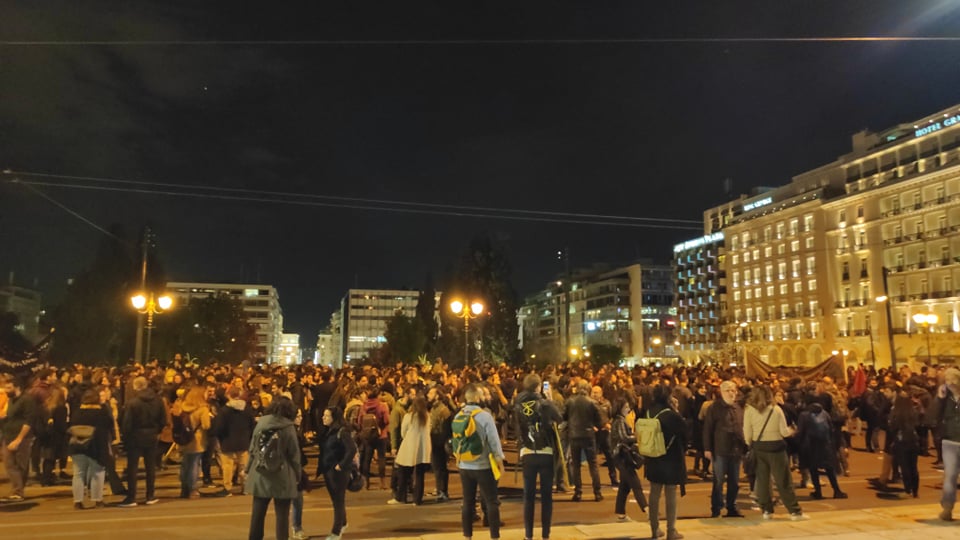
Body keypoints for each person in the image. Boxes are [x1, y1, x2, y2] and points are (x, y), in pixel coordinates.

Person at [744, 384, 807, 521]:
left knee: (763, 480)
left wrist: (752, 443)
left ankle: (766, 510)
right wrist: (792, 430)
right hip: (776, 447)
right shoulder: (776, 410)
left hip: (759, 446)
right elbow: (784, 432)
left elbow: (747, 433)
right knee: (783, 480)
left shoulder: (749, 410)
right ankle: (794, 511)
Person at [514, 373, 563, 540]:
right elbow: (560, 418)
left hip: (527, 451)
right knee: (546, 496)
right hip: (545, 451)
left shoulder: (518, 403)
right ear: (538, 387)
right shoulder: (545, 404)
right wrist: (549, 399)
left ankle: (528, 534)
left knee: (528, 496)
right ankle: (545, 534)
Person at [245, 396, 301, 540]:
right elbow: (294, 455)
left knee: (258, 512)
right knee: (282, 515)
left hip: (260, 472)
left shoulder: (261, 424)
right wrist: (298, 475)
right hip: (282, 473)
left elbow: (253, 449)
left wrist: (247, 469)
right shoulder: (288, 427)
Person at [455, 383, 505, 540]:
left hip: (464, 465)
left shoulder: (459, 415)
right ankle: (494, 536)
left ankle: (467, 535)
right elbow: (494, 441)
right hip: (483, 465)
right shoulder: (485, 416)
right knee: (491, 501)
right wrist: (500, 461)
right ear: (477, 397)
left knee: (468, 501)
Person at [644, 384, 687, 540]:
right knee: (670, 494)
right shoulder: (670, 414)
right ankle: (671, 530)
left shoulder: (649, 411)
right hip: (670, 458)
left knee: (654, 492)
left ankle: (655, 529)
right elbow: (685, 433)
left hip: (653, 456)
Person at [119, 376, 167, 507]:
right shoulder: (158, 400)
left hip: (135, 437)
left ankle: (131, 497)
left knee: (132, 467)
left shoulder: (132, 403)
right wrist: (157, 431)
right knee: (150, 466)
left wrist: (126, 436)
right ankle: (150, 495)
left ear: (135, 387)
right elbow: (164, 420)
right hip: (152, 435)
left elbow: (127, 424)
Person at [702, 380, 745, 517]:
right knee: (719, 481)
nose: (731, 393)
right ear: (721, 392)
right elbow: (707, 429)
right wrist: (707, 448)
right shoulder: (714, 408)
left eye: (733, 390)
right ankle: (716, 507)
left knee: (734, 481)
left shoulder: (739, 408)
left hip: (736, 449)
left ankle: (731, 506)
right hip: (720, 449)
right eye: (728, 390)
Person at [0, 375, 43, 503]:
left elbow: (28, 422)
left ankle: (18, 491)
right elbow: (13, 415)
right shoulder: (11, 399)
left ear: (17, 387)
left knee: (21, 465)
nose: (6, 390)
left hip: (22, 438)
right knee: (9, 464)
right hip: (8, 436)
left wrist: (19, 439)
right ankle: (18, 490)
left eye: (8, 388)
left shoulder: (27, 400)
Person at [69, 389, 114, 509]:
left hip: (78, 446)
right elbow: (109, 427)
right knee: (97, 472)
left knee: (78, 474)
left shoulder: (77, 412)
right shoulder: (101, 413)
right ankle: (97, 499)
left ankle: (77, 501)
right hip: (96, 446)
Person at [795, 400, 847, 500]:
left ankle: (818, 492)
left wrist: (798, 444)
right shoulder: (824, 413)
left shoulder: (804, 415)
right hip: (825, 445)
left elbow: (800, 431)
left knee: (813, 469)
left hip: (810, 446)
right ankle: (836, 490)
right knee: (829, 468)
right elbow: (831, 429)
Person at [319, 406, 358, 540]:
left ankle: (336, 531)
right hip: (328, 470)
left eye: (327, 416)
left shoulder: (342, 432)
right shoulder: (329, 430)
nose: (323, 418)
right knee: (336, 500)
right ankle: (344, 522)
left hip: (338, 472)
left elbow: (351, 449)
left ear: (334, 418)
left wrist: (341, 465)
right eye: (324, 415)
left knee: (338, 501)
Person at [928, 367, 960, 521]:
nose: (950, 383)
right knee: (950, 478)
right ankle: (947, 509)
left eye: (952, 380)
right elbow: (931, 417)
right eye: (946, 381)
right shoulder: (943, 398)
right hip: (950, 442)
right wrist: (939, 398)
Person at [564, 380, 603, 502]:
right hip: (588, 434)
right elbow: (599, 420)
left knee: (576, 465)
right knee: (593, 464)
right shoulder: (592, 402)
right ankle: (597, 492)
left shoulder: (570, 401)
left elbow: (564, 416)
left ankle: (578, 492)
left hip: (574, 434)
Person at [610, 393, 647, 522]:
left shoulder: (617, 420)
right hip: (622, 456)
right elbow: (623, 437)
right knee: (635, 483)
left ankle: (620, 513)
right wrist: (637, 438)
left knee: (624, 487)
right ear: (620, 408)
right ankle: (647, 509)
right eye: (625, 407)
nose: (628, 409)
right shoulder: (619, 421)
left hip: (619, 456)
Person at [389, 395, 432, 505]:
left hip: (409, 447)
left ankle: (401, 497)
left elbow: (403, 432)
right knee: (419, 475)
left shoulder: (409, 416)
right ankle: (417, 500)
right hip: (423, 448)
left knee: (404, 473)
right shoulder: (427, 417)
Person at [171, 386, 212, 499]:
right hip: (197, 440)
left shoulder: (181, 407)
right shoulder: (203, 409)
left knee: (185, 464)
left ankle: (184, 488)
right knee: (194, 464)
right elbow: (206, 425)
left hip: (184, 439)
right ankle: (193, 489)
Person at [215, 385, 256, 495]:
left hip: (227, 441)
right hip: (243, 441)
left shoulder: (224, 410)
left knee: (228, 466)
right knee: (244, 465)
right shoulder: (247, 408)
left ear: (228, 395)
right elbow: (252, 424)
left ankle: (227, 487)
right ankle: (246, 487)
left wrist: (218, 436)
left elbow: (219, 427)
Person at [887, 392, 920, 498]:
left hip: (901, 441)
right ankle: (915, 490)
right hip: (913, 440)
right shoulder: (913, 411)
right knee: (913, 466)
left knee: (904, 466)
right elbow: (918, 424)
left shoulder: (895, 412)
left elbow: (892, 426)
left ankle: (908, 489)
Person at [427, 385, 453, 501]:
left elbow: (446, 428)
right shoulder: (433, 408)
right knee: (437, 468)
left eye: (431, 393)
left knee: (440, 468)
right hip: (434, 440)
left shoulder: (443, 410)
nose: (428, 395)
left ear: (437, 396)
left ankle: (442, 491)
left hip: (439, 442)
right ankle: (440, 490)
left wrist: (442, 441)